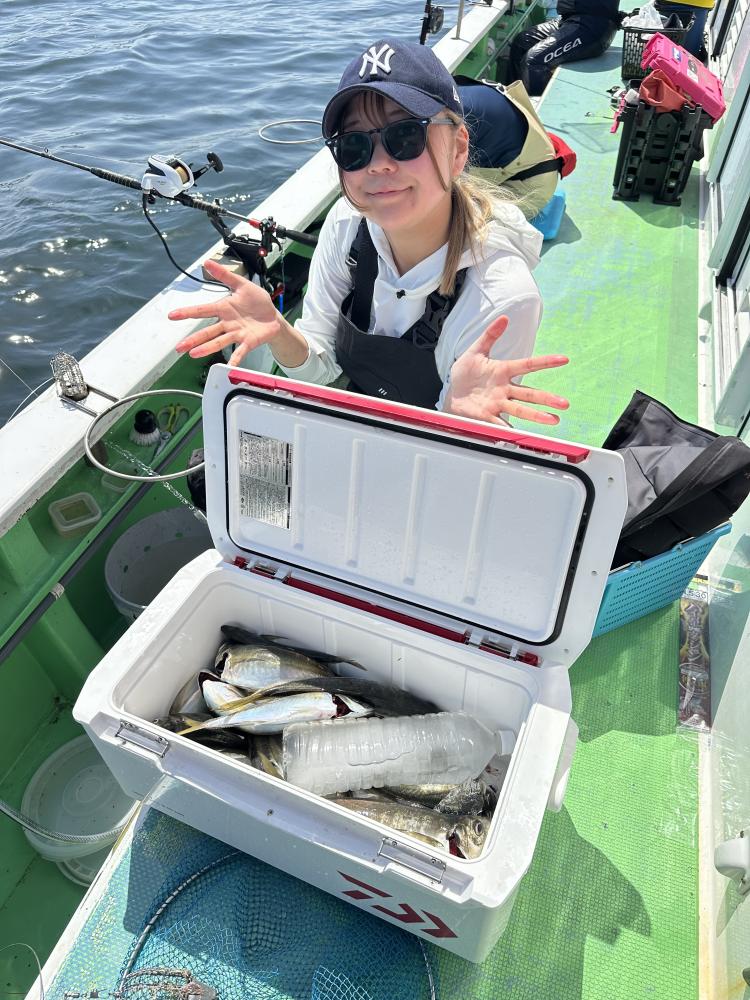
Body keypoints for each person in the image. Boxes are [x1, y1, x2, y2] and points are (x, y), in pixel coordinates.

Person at [169, 39, 570, 427]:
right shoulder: (347, 224)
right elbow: (321, 370)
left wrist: (455, 417)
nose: (377, 164)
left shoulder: (500, 297)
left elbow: (461, 460)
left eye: (405, 135)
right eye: (354, 145)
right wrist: (280, 332)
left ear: (459, 149)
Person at [457, 75, 572, 219]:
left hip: (529, 187)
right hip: (530, 160)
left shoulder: (453, 117)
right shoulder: (453, 91)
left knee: (458, 223)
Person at [510, 0, 621, 96]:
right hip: (569, 19)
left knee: (534, 61)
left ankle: (531, 112)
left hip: (592, 25)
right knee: (523, 41)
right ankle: (513, 102)